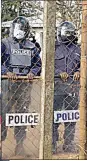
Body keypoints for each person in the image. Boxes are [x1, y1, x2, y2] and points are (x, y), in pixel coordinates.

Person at [1, 16, 42, 156]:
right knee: (3, 113)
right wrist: (6, 72)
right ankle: (0, 144)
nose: (20, 31)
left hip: (24, 85)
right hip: (7, 84)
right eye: (18, 28)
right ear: (13, 29)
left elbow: (38, 64)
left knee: (22, 114)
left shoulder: (31, 46)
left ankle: (20, 144)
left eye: (23, 29)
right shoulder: (4, 44)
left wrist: (32, 72)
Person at [53, 21, 81, 153]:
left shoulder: (77, 49)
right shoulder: (54, 47)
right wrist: (59, 73)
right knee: (54, 116)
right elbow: (47, 66)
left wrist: (79, 71)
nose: (69, 36)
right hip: (57, 87)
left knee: (71, 117)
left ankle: (68, 143)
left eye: (71, 33)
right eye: (66, 33)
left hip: (72, 87)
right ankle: (52, 143)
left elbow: (84, 65)